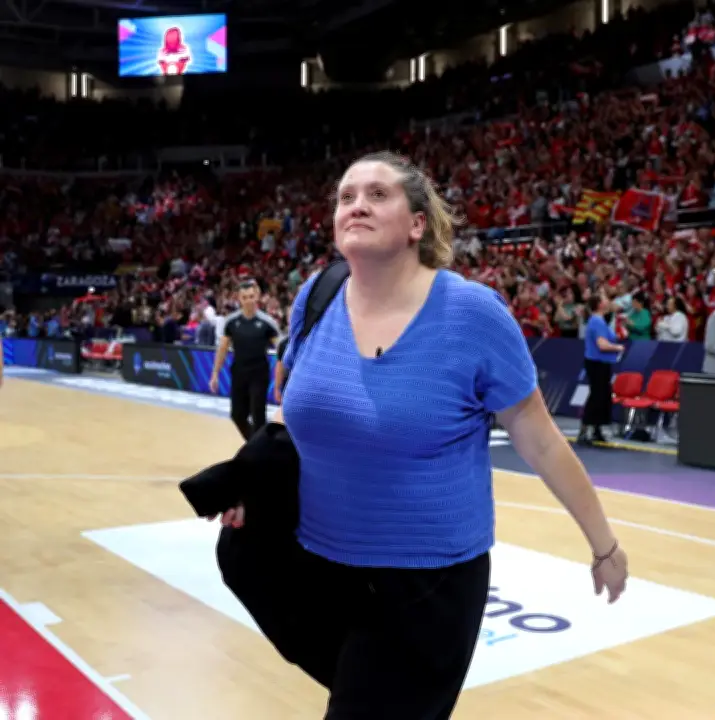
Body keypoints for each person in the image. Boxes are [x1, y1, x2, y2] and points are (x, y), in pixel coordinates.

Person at [209, 152, 628, 719]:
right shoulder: (319, 292)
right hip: (319, 566)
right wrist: (253, 479)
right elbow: (295, 415)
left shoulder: (473, 314)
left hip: (426, 586)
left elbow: (541, 438)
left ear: (417, 224)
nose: (357, 204)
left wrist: (604, 546)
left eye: (378, 194)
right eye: (346, 196)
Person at [210, 279, 280, 440]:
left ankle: (258, 454)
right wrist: (215, 374)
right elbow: (223, 348)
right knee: (237, 416)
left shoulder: (268, 322)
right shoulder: (231, 322)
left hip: (259, 374)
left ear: (257, 297)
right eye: (245, 297)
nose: (249, 300)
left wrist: (280, 378)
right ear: (239, 299)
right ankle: (254, 445)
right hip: (239, 374)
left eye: (251, 296)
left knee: (258, 416)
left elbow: (281, 351)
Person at [579, 293, 625, 445]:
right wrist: (618, 347)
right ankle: (585, 430)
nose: (608, 301)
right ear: (599, 304)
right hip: (597, 363)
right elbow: (602, 345)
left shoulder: (600, 321)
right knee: (597, 395)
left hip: (602, 363)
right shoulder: (597, 322)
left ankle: (597, 429)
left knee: (602, 396)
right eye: (605, 299)